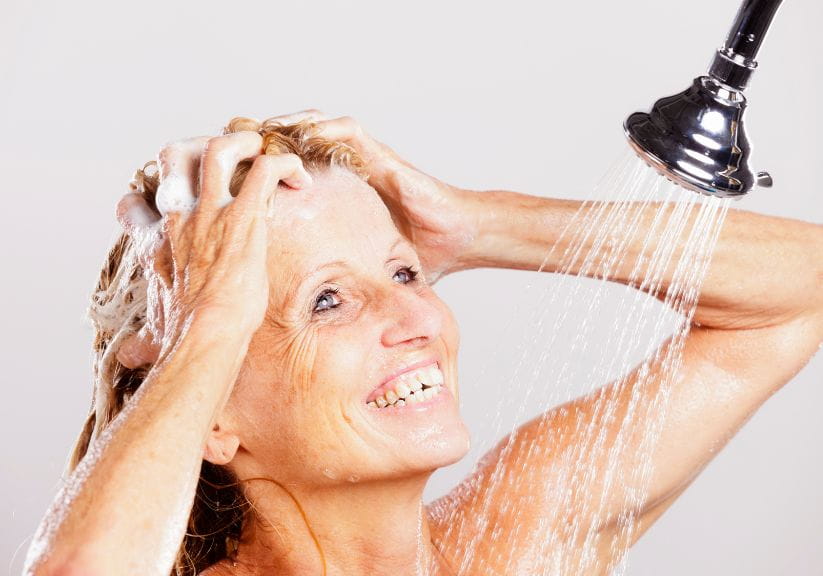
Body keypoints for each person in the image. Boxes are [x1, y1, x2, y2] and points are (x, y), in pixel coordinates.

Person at [23, 112, 822, 576]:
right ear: (212, 416)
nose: (413, 321)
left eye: (404, 273)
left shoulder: (511, 542)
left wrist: (482, 225)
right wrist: (209, 321)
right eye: (326, 300)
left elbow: (798, 295)